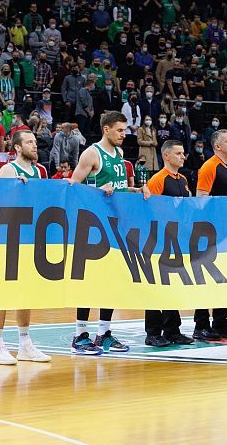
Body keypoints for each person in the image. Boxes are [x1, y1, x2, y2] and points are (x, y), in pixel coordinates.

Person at [67, 111, 150, 354]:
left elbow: (118, 189)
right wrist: (96, 191)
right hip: (92, 226)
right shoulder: (91, 153)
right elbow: (73, 187)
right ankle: (79, 334)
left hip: (115, 225)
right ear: (106, 129)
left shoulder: (121, 155)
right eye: (120, 130)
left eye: (125, 130)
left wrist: (136, 191)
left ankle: (104, 333)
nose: (124, 134)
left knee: (111, 280)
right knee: (89, 280)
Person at [0, 130, 52, 364]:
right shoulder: (9, 170)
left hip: (30, 236)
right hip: (7, 236)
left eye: (35, 142)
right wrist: (14, 190)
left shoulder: (39, 172)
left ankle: (24, 343)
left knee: (26, 290)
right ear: (17, 147)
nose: (34, 146)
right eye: (29, 142)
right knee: (4, 291)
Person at [143, 139, 197, 347]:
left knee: (173, 285)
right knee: (157, 286)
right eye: (178, 153)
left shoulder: (182, 179)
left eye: (183, 153)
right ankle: (153, 332)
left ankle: (173, 329)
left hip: (178, 239)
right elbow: (149, 209)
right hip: (159, 240)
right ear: (166, 156)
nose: (183, 157)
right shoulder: (158, 179)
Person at [193, 129, 227, 341]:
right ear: (217, 146)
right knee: (206, 278)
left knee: (225, 278)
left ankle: (221, 322)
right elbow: (201, 199)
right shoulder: (209, 166)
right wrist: (224, 199)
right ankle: (201, 325)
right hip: (208, 231)